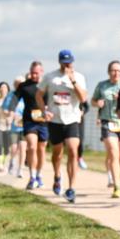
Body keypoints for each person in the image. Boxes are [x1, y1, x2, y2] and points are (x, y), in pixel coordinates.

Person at [36, 50, 88, 203]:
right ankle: (57, 175)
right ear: (59, 62)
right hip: (55, 120)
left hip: (72, 120)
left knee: (73, 150)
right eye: (64, 62)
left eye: (69, 62)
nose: (67, 65)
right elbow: (39, 94)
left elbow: (83, 98)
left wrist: (73, 81)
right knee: (57, 153)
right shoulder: (50, 77)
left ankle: (71, 188)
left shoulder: (79, 77)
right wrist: (44, 110)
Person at [93, 60, 120, 199]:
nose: (116, 73)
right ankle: (116, 186)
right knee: (113, 152)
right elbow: (93, 100)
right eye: (113, 70)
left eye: (118, 70)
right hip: (108, 122)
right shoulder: (102, 85)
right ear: (109, 72)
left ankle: (114, 174)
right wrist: (97, 103)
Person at [15, 62, 48, 189]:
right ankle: (32, 176)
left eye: (36, 72)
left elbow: (53, 100)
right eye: (32, 72)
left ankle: (39, 175)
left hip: (44, 121)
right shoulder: (24, 86)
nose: (34, 75)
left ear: (41, 71)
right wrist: (10, 111)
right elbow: (15, 99)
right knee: (32, 146)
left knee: (41, 149)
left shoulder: (47, 85)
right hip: (29, 120)